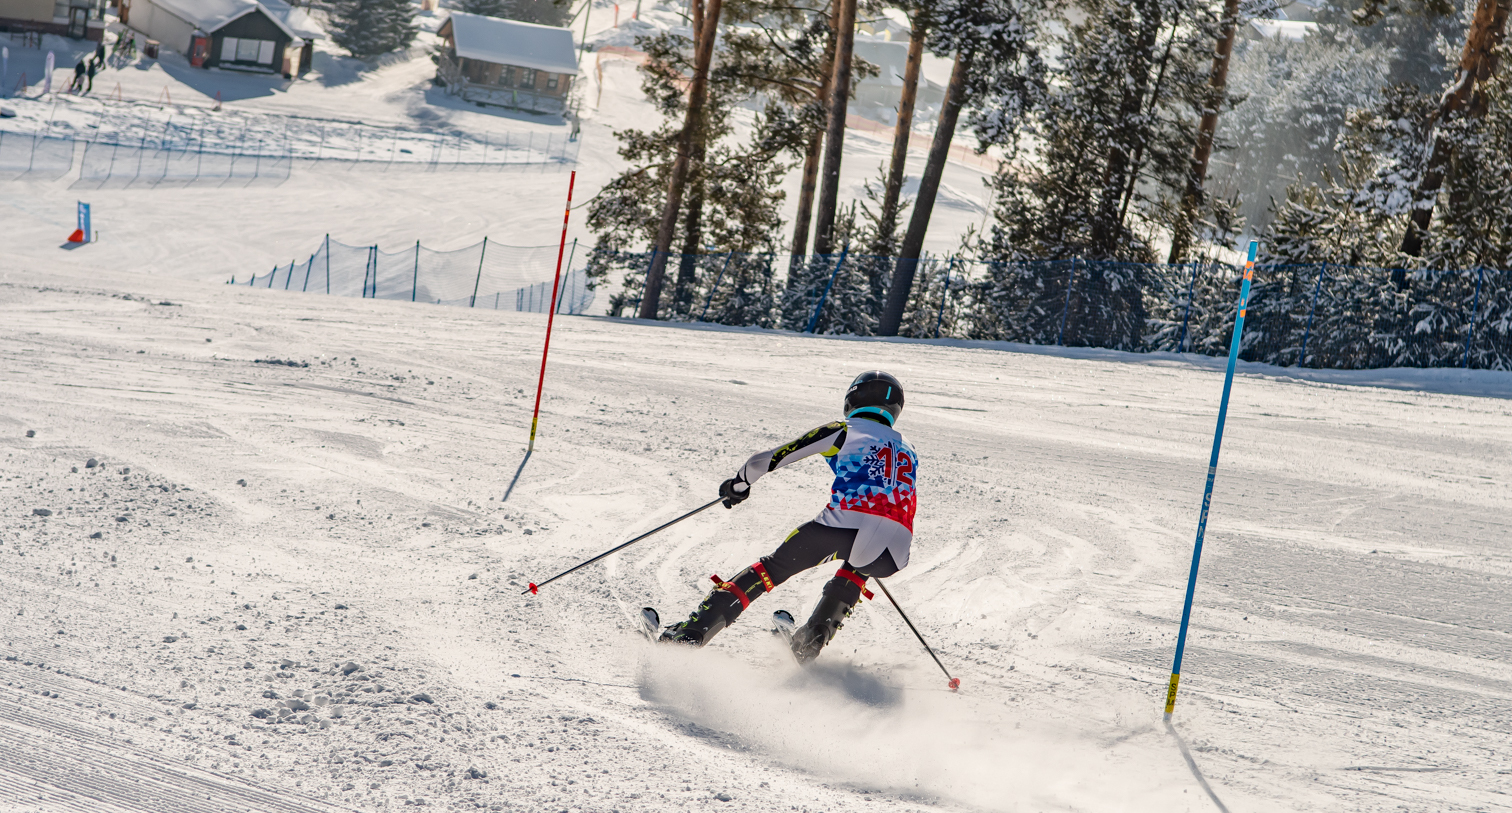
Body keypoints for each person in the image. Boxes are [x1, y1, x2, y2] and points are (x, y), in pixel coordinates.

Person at [649, 371, 918, 663]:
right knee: (857, 566)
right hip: (895, 551)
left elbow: (764, 460)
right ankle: (812, 640)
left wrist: (739, 485)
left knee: (771, 570)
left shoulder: (844, 429)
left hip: (844, 528)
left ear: (853, 398)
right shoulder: (908, 448)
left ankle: (690, 635)